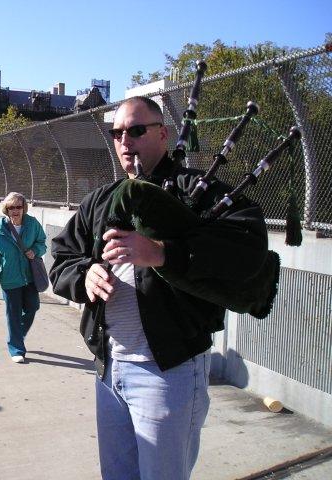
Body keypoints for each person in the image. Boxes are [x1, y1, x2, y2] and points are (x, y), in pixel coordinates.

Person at [49, 96, 269, 480]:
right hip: (109, 368)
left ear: (163, 134)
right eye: (117, 133)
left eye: (136, 130)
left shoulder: (195, 191)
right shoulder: (101, 200)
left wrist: (164, 253)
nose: (124, 141)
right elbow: (62, 259)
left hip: (168, 373)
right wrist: (84, 275)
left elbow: (248, 252)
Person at [0, 192, 47, 363]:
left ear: (24, 208)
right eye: (11, 207)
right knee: (13, 314)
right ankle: (16, 348)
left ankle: (18, 334)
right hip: (10, 279)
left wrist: (36, 251)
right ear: (6, 210)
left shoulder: (32, 224)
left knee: (33, 307)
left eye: (19, 207)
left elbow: (42, 242)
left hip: (30, 277)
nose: (15, 211)